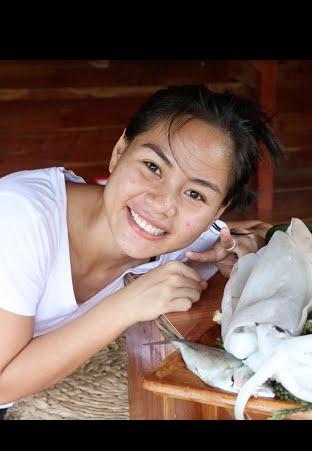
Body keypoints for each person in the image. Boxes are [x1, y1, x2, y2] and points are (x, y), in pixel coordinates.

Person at [0, 85, 284, 418]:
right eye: (152, 167)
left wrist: (244, 250)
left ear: (218, 211)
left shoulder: (190, 240)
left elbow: (262, 234)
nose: (161, 204)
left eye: (195, 195)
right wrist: (127, 305)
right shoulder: (20, 217)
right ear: (120, 151)